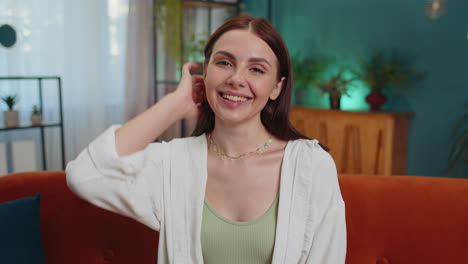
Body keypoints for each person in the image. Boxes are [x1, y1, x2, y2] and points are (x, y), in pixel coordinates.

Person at [66, 15, 346, 264]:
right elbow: (86, 175)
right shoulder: (173, 163)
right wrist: (174, 105)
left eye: (256, 69)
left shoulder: (311, 165)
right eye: (224, 63)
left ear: (277, 87)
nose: (236, 79)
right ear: (206, 72)